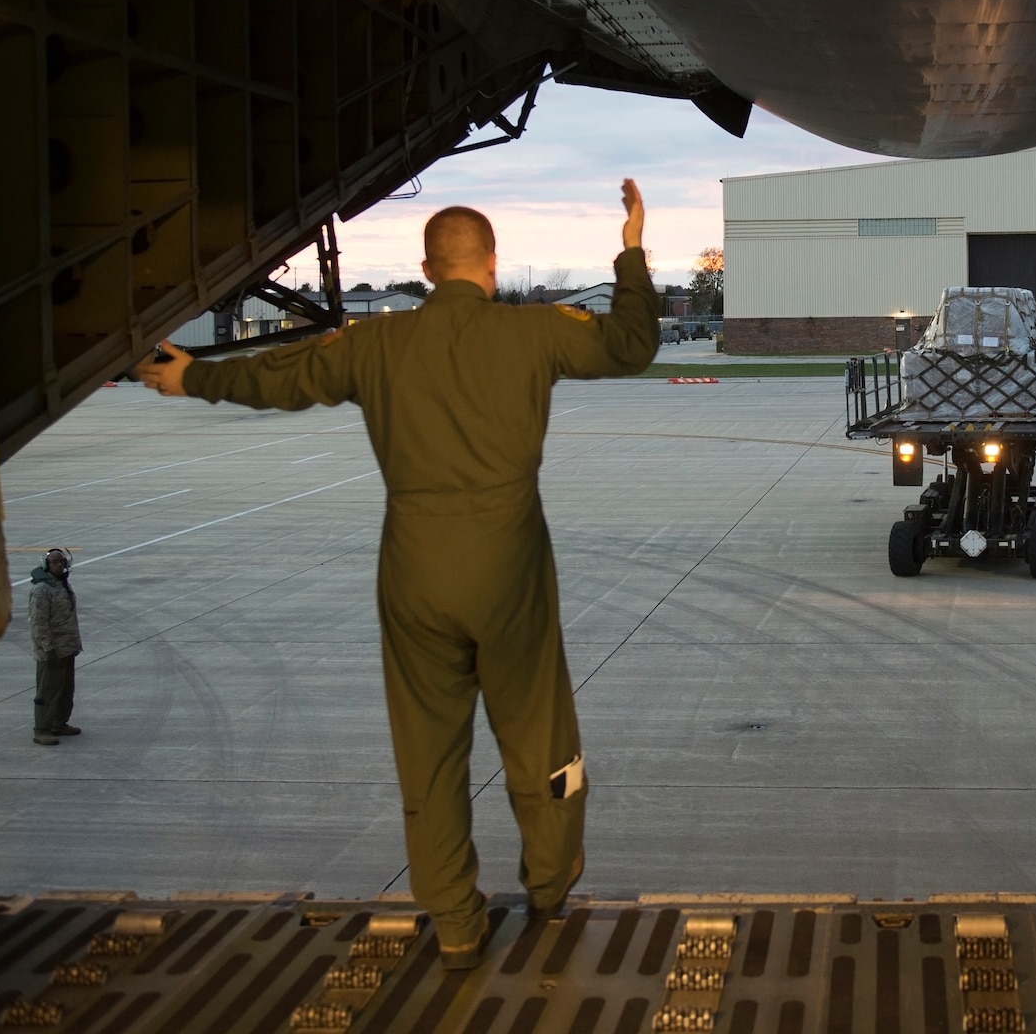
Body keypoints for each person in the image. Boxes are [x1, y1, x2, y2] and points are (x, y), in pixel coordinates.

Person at [139, 181, 658, 967]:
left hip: (412, 568)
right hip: (508, 566)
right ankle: (549, 886)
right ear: (490, 266)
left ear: (424, 268)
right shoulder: (534, 334)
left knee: (430, 752)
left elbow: (282, 375)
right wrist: (628, 251)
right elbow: (631, 345)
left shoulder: (375, 345)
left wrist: (193, 378)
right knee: (538, 732)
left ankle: (454, 920)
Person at [28, 548, 83, 745]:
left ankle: (58, 723)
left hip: (66, 647)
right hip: (51, 651)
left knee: (65, 690)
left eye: (61, 562)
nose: (59, 565)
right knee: (47, 692)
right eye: (54, 562)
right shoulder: (42, 590)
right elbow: (38, 623)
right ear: (46, 564)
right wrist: (48, 648)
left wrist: (74, 644)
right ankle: (41, 729)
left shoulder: (61, 585)